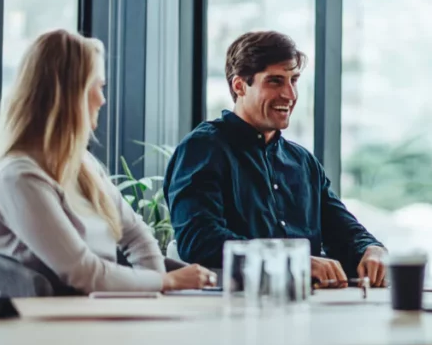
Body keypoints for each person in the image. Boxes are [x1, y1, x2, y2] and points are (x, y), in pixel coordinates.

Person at [0, 29, 214, 293]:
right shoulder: (19, 178)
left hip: (95, 311)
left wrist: (154, 288)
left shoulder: (81, 164)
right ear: (72, 95)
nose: (103, 99)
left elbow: (135, 234)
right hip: (51, 324)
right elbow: (83, 272)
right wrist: (167, 281)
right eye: (99, 86)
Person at [164, 30, 387, 287]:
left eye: (294, 80)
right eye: (275, 81)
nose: (290, 95)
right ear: (239, 86)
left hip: (309, 308)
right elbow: (200, 241)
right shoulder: (202, 149)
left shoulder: (302, 162)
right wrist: (293, 260)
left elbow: (342, 229)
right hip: (232, 311)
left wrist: (371, 249)